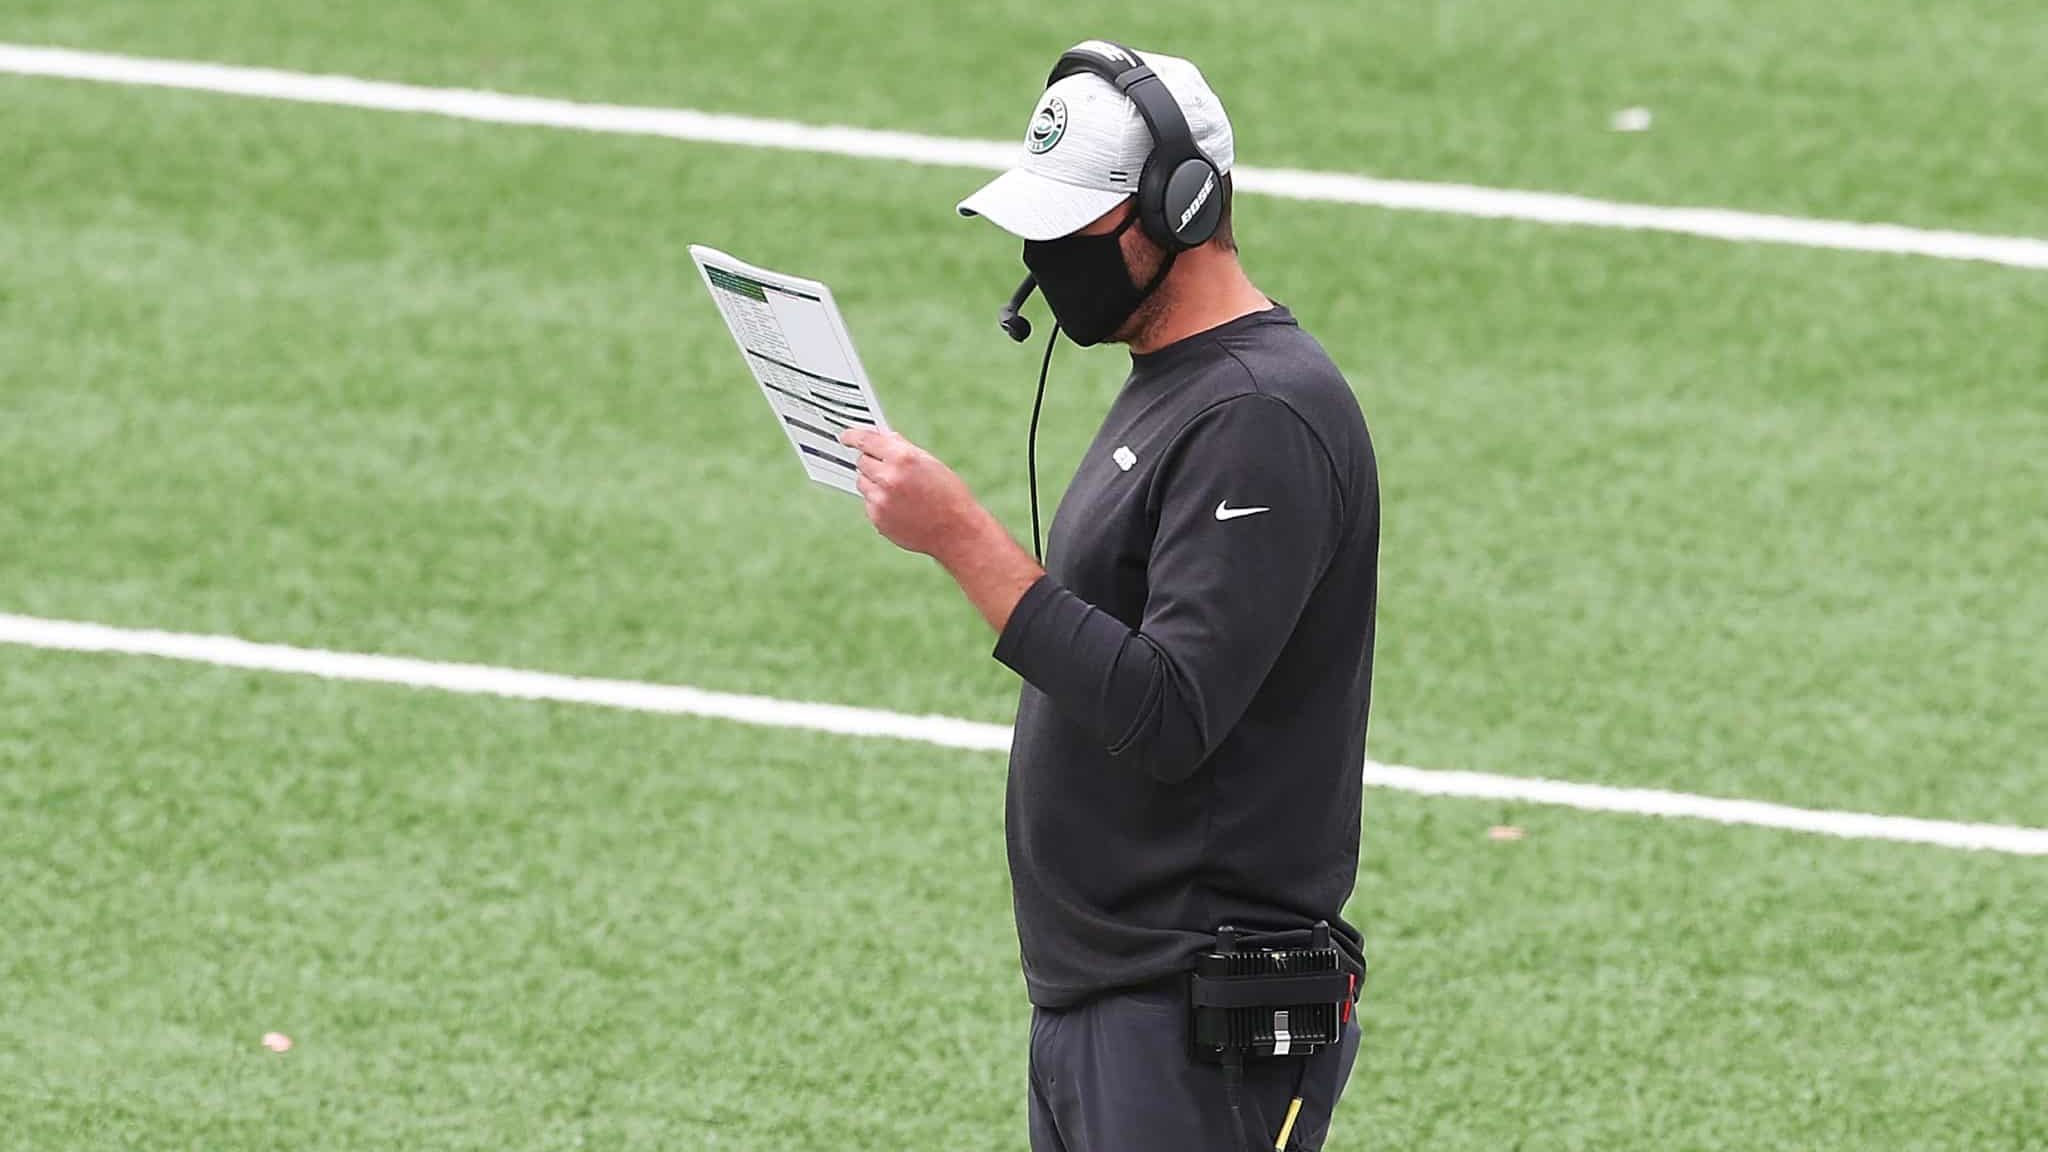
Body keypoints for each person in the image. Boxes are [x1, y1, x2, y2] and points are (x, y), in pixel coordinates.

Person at [839, 40, 1379, 1152]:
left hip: (1190, 1020)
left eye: (1072, 224)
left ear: (1180, 207)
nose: (1041, 254)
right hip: (1113, 1002)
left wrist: (959, 540)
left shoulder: (1256, 420)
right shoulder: (1173, 385)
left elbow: (1170, 709)